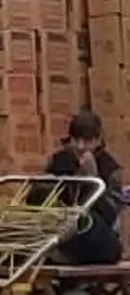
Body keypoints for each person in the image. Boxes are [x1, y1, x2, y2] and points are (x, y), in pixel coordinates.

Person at [39, 111, 123, 265]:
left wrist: (92, 179)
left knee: (87, 222)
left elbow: (110, 214)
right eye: (76, 140)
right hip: (60, 229)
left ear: (98, 140)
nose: (80, 146)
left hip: (97, 235)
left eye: (87, 141)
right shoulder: (60, 161)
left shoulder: (110, 168)